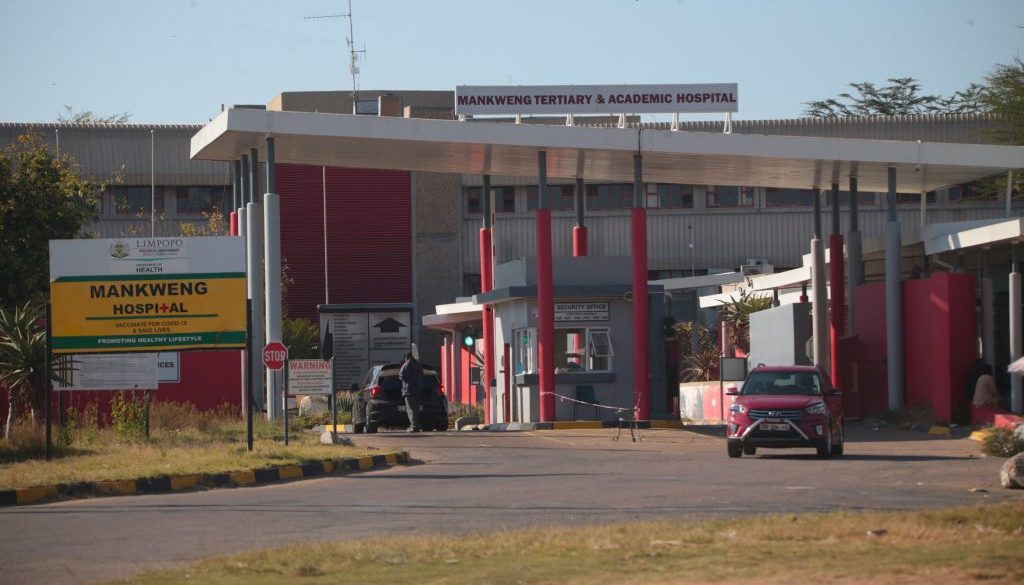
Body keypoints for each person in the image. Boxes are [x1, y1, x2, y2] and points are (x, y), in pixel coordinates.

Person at [399, 352, 424, 432]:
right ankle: (416, 425)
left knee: (411, 409)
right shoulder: (418, 364)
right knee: (416, 409)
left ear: (406, 358)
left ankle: (413, 426)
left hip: (409, 390)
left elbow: (402, 376)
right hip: (418, 390)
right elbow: (421, 375)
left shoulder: (406, 365)